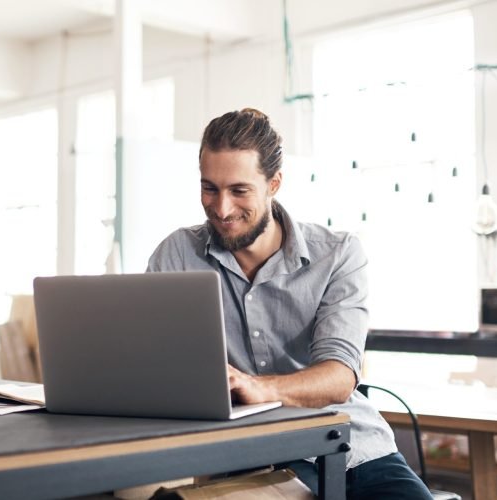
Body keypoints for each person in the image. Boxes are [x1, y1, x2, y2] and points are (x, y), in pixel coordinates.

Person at [146, 108, 432, 499]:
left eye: (239, 190)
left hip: (356, 447)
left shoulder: (338, 254)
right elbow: (155, 366)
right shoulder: (178, 255)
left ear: (274, 184)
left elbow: (339, 376)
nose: (222, 208)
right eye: (209, 188)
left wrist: (257, 387)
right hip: (255, 453)